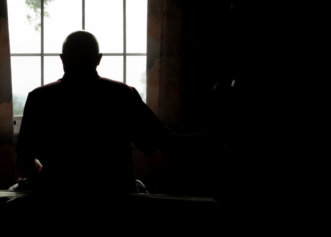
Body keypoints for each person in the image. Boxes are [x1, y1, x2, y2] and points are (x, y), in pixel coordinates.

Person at [13, 31, 207, 194]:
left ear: (63, 59)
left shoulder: (39, 97)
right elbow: (167, 142)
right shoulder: (123, 94)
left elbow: (25, 158)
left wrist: (41, 183)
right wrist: (211, 139)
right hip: (117, 194)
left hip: (57, 194)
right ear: (98, 59)